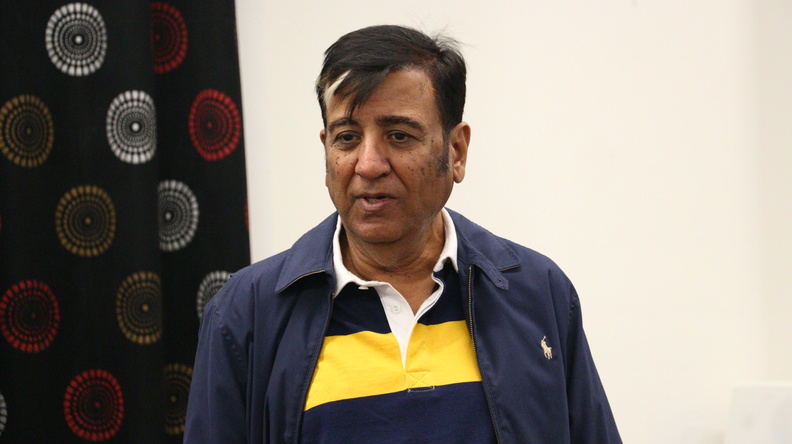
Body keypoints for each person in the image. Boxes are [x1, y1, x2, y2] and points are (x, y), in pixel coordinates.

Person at [184, 25, 621, 443]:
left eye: (398, 136)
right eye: (347, 138)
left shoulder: (538, 294)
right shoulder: (246, 314)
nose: (368, 164)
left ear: (456, 151)